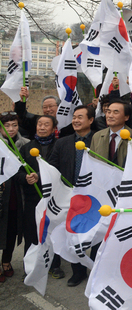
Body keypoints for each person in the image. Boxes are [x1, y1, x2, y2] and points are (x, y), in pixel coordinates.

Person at [48, 105, 96, 287]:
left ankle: (96, 270)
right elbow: (52, 167)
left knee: (95, 235)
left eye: (80, 117)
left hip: (93, 197)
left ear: (90, 120)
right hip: (70, 197)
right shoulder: (62, 143)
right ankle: (78, 272)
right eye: (74, 117)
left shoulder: (99, 140)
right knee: (74, 235)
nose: (75, 120)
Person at [17, 115, 64, 278]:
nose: (42, 127)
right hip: (32, 199)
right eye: (39, 124)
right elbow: (18, 172)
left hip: (53, 198)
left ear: (53, 128)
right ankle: (30, 267)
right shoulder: (26, 147)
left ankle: (54, 265)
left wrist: (40, 175)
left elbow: (61, 170)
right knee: (31, 233)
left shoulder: (60, 146)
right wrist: (25, 178)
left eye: (46, 124)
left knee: (53, 232)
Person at [0, 112, 29, 282]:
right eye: (6, 125)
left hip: (17, 194)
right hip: (1, 192)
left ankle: (6, 261)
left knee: (12, 229)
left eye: (14, 125)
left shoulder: (25, 144)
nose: (10, 129)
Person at [90, 99, 132, 168]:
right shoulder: (97, 136)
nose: (110, 116)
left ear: (126, 117)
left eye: (116, 112)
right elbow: (92, 162)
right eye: (108, 112)